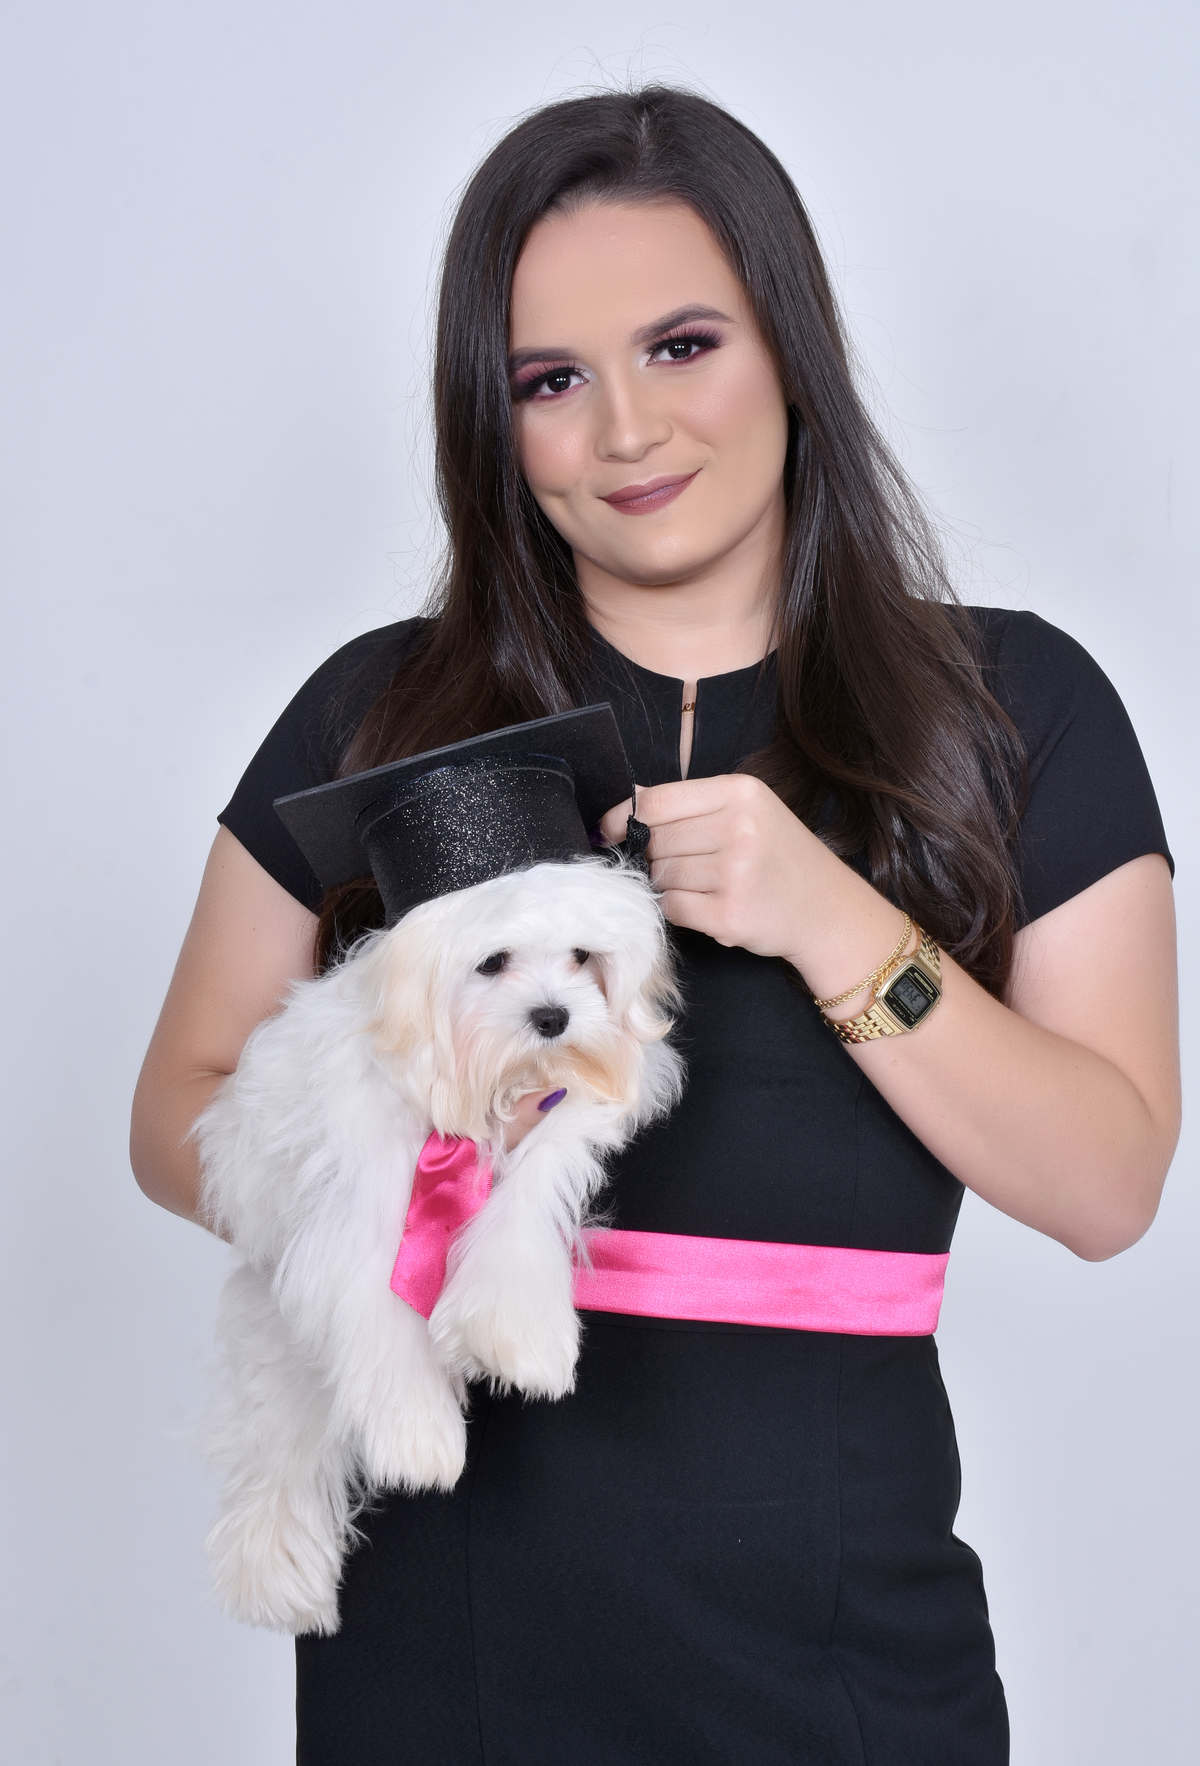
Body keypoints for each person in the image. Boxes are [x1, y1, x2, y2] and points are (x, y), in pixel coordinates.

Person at [130, 87, 1180, 1764]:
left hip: (847, 1669)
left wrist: (833, 918)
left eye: (682, 346)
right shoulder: (379, 711)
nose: (626, 430)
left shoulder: (1012, 707)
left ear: (790, 351)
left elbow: (1108, 1180)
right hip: (442, 1667)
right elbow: (173, 1105)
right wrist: (388, 1162)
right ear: (496, 424)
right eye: (551, 381)